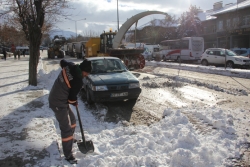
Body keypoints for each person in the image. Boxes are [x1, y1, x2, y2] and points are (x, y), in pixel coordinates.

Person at [48, 59, 92, 164]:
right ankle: (68, 155)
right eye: (87, 73)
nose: (87, 75)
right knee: (66, 129)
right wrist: (74, 102)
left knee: (72, 120)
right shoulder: (78, 81)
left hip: (58, 98)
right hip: (58, 103)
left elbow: (62, 61)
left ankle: (69, 139)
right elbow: (71, 99)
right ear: (83, 71)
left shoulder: (71, 65)